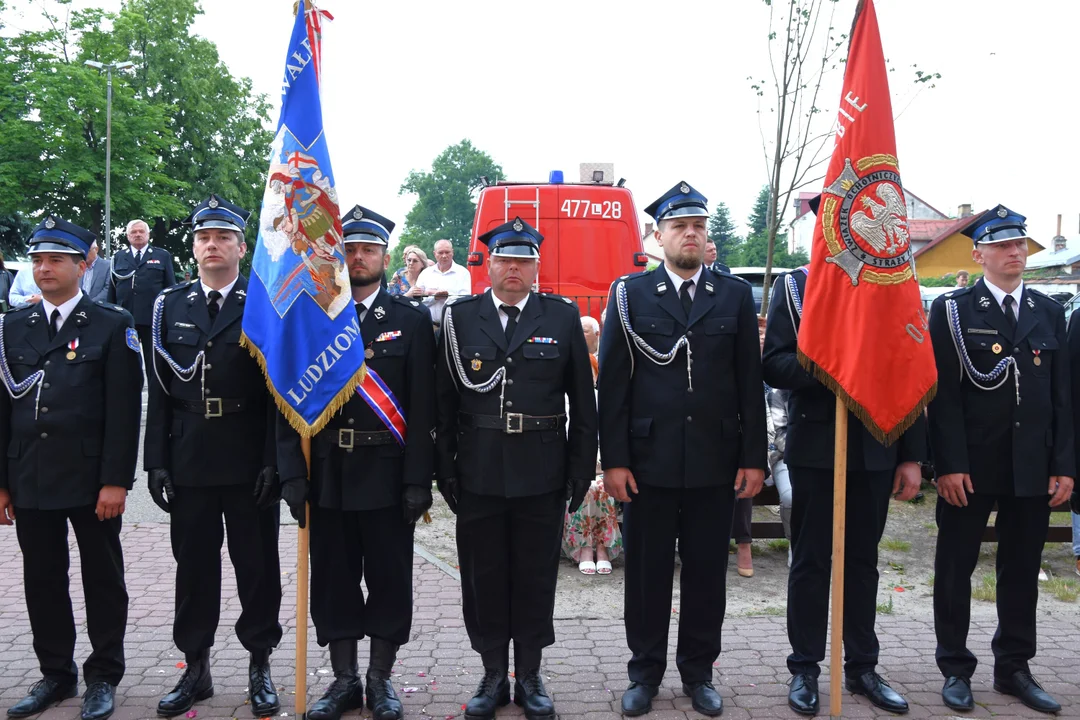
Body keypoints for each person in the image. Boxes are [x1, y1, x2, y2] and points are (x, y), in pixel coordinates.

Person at [599, 181, 766, 717]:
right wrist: (616, 460)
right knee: (646, 575)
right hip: (647, 464)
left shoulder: (735, 295)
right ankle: (643, 673)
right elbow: (615, 387)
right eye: (678, 226)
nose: (689, 234)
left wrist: (754, 458)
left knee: (704, 575)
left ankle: (699, 673)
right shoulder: (628, 295)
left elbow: (749, 384)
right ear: (659, 235)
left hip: (716, 463)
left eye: (697, 226)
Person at [277, 204, 435, 720]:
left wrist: (418, 480)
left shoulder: (411, 322)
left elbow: (424, 408)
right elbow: (286, 402)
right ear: (337, 255)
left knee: (390, 579)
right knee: (333, 580)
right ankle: (344, 680)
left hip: (388, 475)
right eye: (350, 248)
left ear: (386, 257)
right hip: (327, 473)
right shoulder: (311, 321)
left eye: (369, 248)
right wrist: (292, 474)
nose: (359, 256)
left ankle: (380, 679)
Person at [434, 217, 597, 720]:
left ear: (536, 267)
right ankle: (490, 674)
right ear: (488, 265)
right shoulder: (460, 319)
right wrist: (446, 469)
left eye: (523, 260)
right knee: (483, 577)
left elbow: (582, 404)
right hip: (479, 470)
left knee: (534, 577)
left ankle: (528, 674)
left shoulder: (561, 317)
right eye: (504, 259)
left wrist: (578, 470)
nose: (513, 268)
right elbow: (442, 402)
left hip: (542, 471)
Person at [763, 257, 925, 716]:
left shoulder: (890, 283)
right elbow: (773, 363)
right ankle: (806, 668)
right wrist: (828, 361)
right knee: (811, 561)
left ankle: (862, 667)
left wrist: (911, 455)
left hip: (877, 445)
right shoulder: (796, 287)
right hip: (817, 446)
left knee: (862, 563)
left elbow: (907, 371)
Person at [929, 205, 1073, 715]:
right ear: (979, 254)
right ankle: (955, 668)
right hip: (971, 466)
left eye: (1020, 245)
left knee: (1020, 568)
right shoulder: (952, 310)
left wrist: (1065, 465)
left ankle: (1014, 667)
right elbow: (942, 398)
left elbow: (1063, 400)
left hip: (1032, 466)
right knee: (955, 568)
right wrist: (947, 464)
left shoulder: (1049, 312)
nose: (1016, 252)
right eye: (1004, 245)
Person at [145, 195, 283, 719]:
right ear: (194, 246)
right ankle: (196, 668)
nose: (212, 245)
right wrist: (155, 460)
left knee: (257, 567)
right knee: (194, 568)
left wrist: (276, 458)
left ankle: (259, 663)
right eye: (204, 237)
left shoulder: (264, 304)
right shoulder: (168, 306)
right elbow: (158, 388)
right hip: (190, 457)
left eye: (223, 237)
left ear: (241, 248)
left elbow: (279, 390)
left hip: (249, 458)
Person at [0, 215, 142, 720]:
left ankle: (103, 675)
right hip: (30, 474)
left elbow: (124, 413)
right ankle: (55, 675)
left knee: (102, 580)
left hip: (90, 479)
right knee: (43, 579)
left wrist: (115, 481)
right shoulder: (13, 325)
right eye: (37, 260)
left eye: (56, 259)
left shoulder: (112, 324)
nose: (44, 269)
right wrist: (2, 481)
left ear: (85, 264)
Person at [107, 219, 177, 373]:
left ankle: (154, 397)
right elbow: (112, 291)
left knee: (154, 365)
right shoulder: (118, 257)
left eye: (141, 231)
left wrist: (169, 318)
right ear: (127, 236)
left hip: (152, 319)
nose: (137, 235)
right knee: (126, 365)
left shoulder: (162, 256)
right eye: (133, 232)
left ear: (148, 234)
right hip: (125, 319)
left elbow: (170, 289)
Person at [415, 239, 470, 327]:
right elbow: (417, 301)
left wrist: (446, 296)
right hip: (428, 325)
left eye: (447, 252)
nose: (444, 256)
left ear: (452, 252)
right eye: (440, 253)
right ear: (434, 254)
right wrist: (434, 297)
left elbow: (466, 301)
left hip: (454, 326)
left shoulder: (463, 273)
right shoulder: (425, 274)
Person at [580, 315, 600, 385]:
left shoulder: (606, 353)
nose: (579, 334)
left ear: (597, 334)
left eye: (584, 331)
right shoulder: (571, 353)